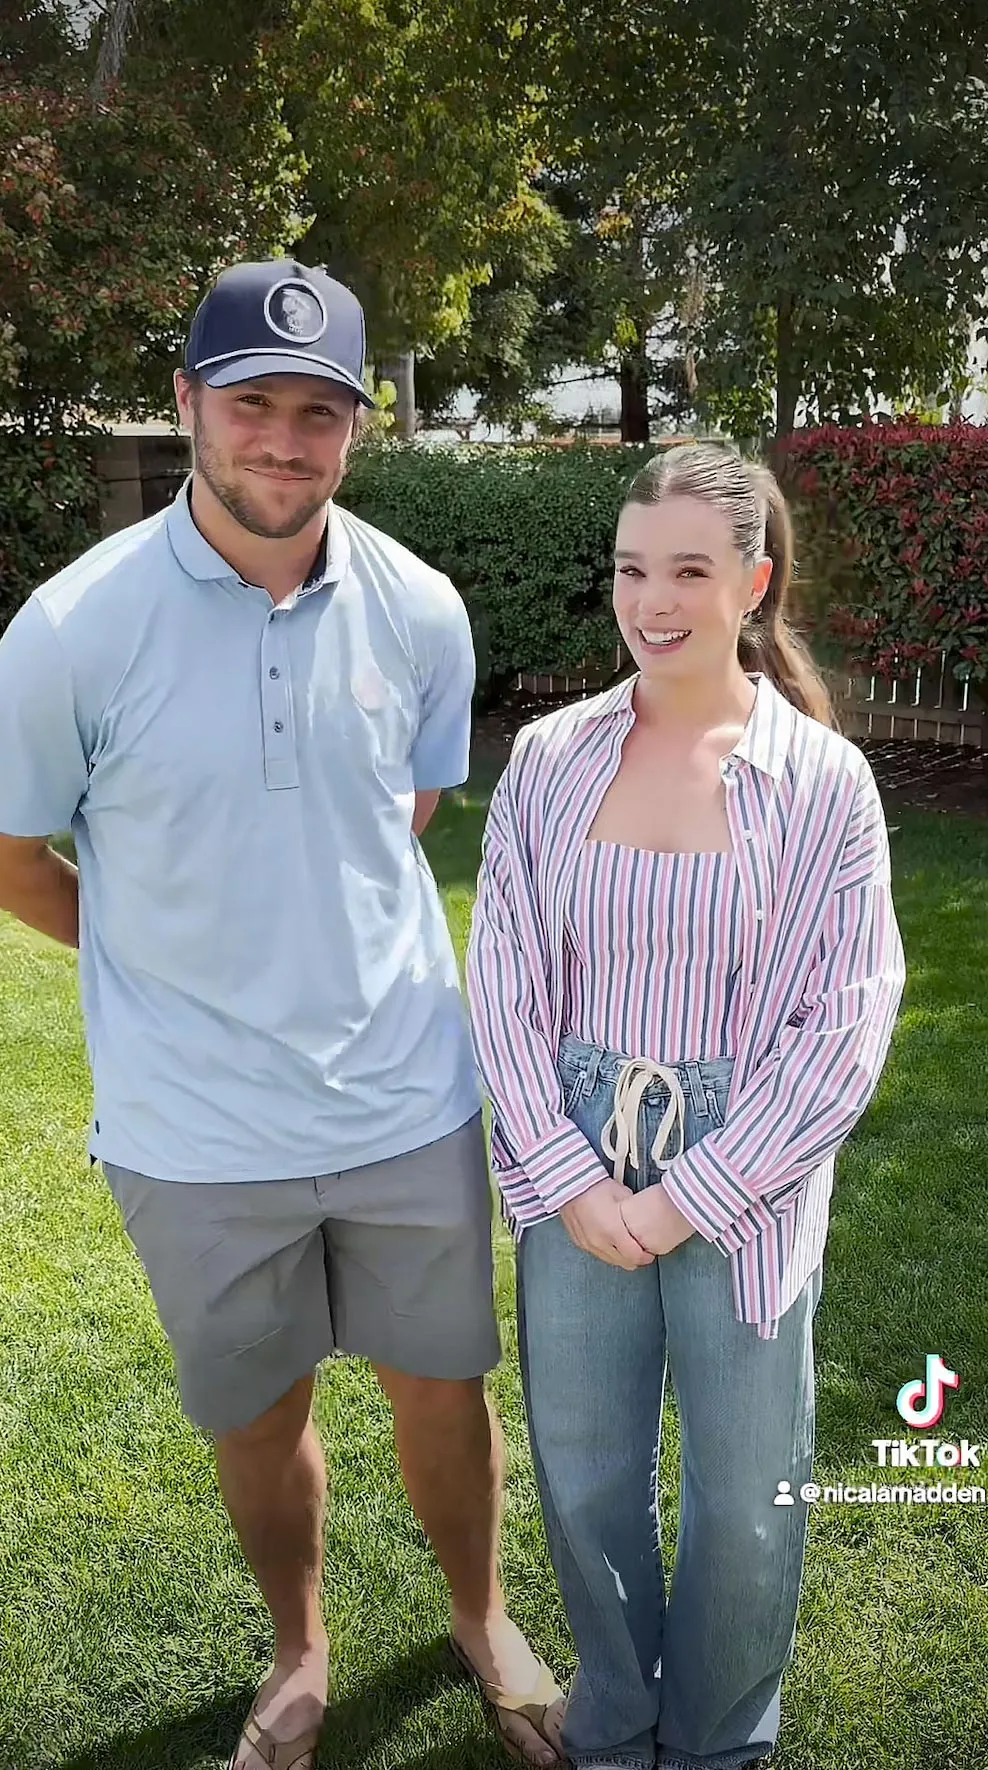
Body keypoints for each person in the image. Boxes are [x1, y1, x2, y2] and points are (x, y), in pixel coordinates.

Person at [0, 258, 566, 1770]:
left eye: (320, 410)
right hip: (194, 1133)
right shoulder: (67, 632)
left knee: (444, 1388)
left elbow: (410, 811)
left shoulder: (424, 606)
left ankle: (481, 1614)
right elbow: (15, 857)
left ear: (355, 430)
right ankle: (301, 1648)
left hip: (405, 1097)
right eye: (253, 401)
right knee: (257, 1415)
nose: (285, 439)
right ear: (188, 404)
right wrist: (161, 973)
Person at [465, 442, 906, 1770]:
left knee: (745, 1500)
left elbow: (847, 1022)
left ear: (752, 581)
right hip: (573, 1164)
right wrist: (567, 1171)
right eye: (632, 567)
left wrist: (688, 1196)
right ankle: (618, 1715)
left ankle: (715, 1739)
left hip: (746, 1178)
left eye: (689, 570)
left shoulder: (825, 786)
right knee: (589, 1475)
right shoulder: (549, 758)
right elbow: (500, 975)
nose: (651, 599)